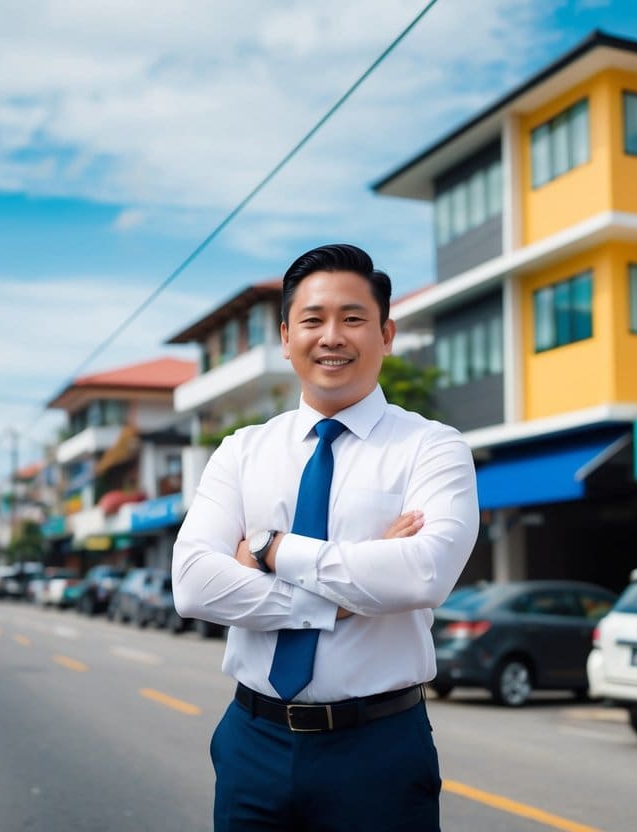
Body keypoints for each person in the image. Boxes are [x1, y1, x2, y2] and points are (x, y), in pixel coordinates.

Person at [173, 243, 479, 832]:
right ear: (286, 338)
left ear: (386, 334)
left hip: (379, 749)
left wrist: (268, 549)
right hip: (252, 741)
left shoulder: (432, 448)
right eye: (312, 320)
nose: (332, 336)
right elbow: (193, 586)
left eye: (353, 318)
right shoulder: (242, 450)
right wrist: (342, 599)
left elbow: (423, 573)